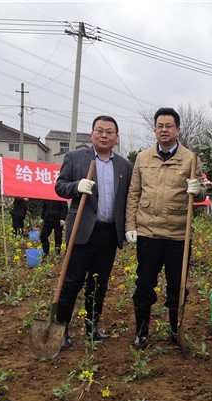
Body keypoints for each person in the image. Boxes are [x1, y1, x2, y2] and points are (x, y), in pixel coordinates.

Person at [125, 107, 205, 348]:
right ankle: (141, 331)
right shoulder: (142, 157)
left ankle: (174, 329)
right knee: (144, 284)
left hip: (178, 236)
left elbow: (201, 193)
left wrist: (198, 190)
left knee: (177, 286)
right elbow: (134, 194)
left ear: (178, 130)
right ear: (155, 129)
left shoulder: (191, 159)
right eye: (160, 126)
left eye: (169, 126)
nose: (164, 130)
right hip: (149, 233)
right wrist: (131, 224)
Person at [54, 115, 132, 349]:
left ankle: (92, 326)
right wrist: (76, 187)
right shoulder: (76, 157)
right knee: (72, 281)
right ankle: (62, 327)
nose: (105, 135)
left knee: (99, 283)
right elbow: (60, 186)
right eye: (100, 131)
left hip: (108, 234)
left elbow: (128, 199)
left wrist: (129, 227)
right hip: (82, 230)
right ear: (92, 135)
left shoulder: (124, 166)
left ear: (117, 138)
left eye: (110, 132)